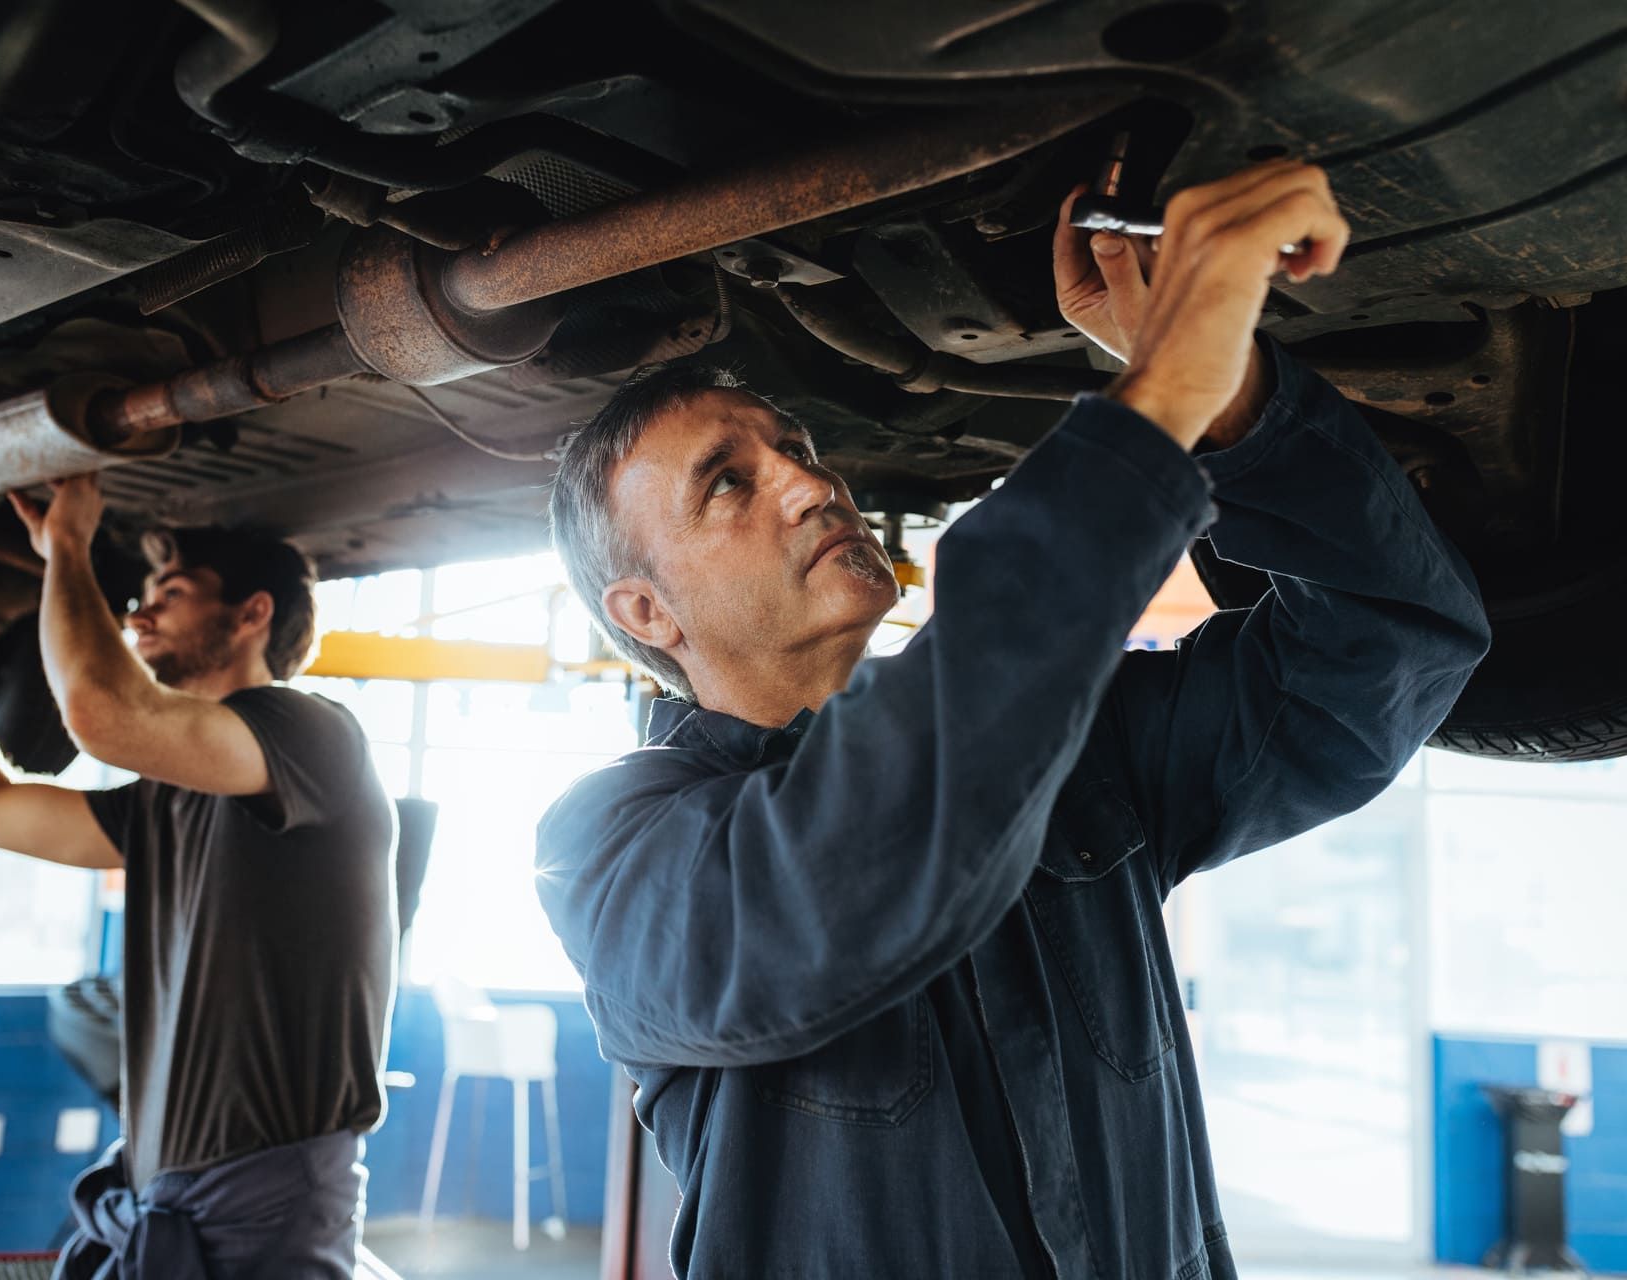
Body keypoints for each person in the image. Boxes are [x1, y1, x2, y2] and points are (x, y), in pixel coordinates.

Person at [535, 161, 1492, 1277]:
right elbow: (852, 874)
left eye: (793, 445)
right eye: (728, 484)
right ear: (647, 610)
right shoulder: (612, 848)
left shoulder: (1075, 753)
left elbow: (1389, 642)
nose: (810, 482)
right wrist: (1162, 391)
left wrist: (1234, 404)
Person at [0, 476, 395, 1277]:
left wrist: (67, 546)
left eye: (174, 592)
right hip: (169, 1202)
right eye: (148, 594)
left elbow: (99, 712)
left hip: (264, 1227)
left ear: (252, 614)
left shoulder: (312, 733)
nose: (140, 612)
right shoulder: (164, 800)